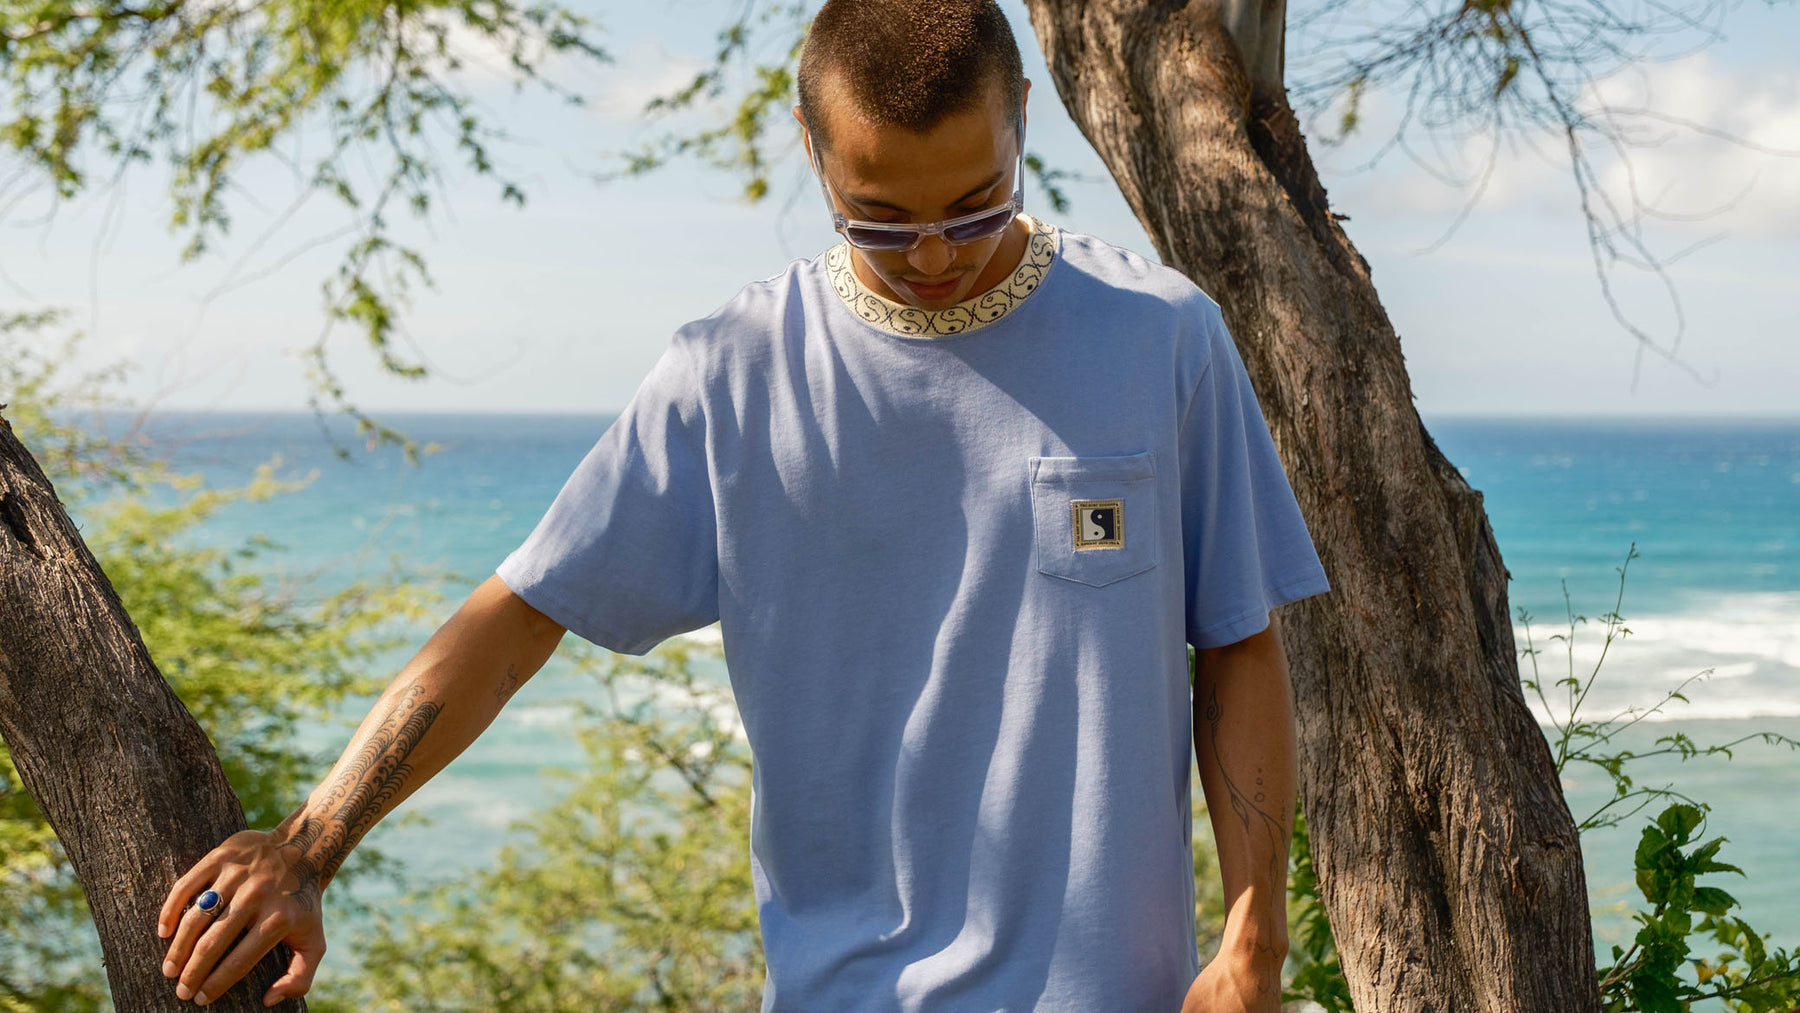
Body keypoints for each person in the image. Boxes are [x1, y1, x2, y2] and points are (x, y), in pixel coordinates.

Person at [155, 1, 1331, 1009]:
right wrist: (309, 843)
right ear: (812, 147)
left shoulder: (1162, 340)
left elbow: (1237, 642)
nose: (933, 255)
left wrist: (1254, 942)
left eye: (976, 203)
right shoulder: (733, 375)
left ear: (1022, 114)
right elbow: (518, 617)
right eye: (880, 216)